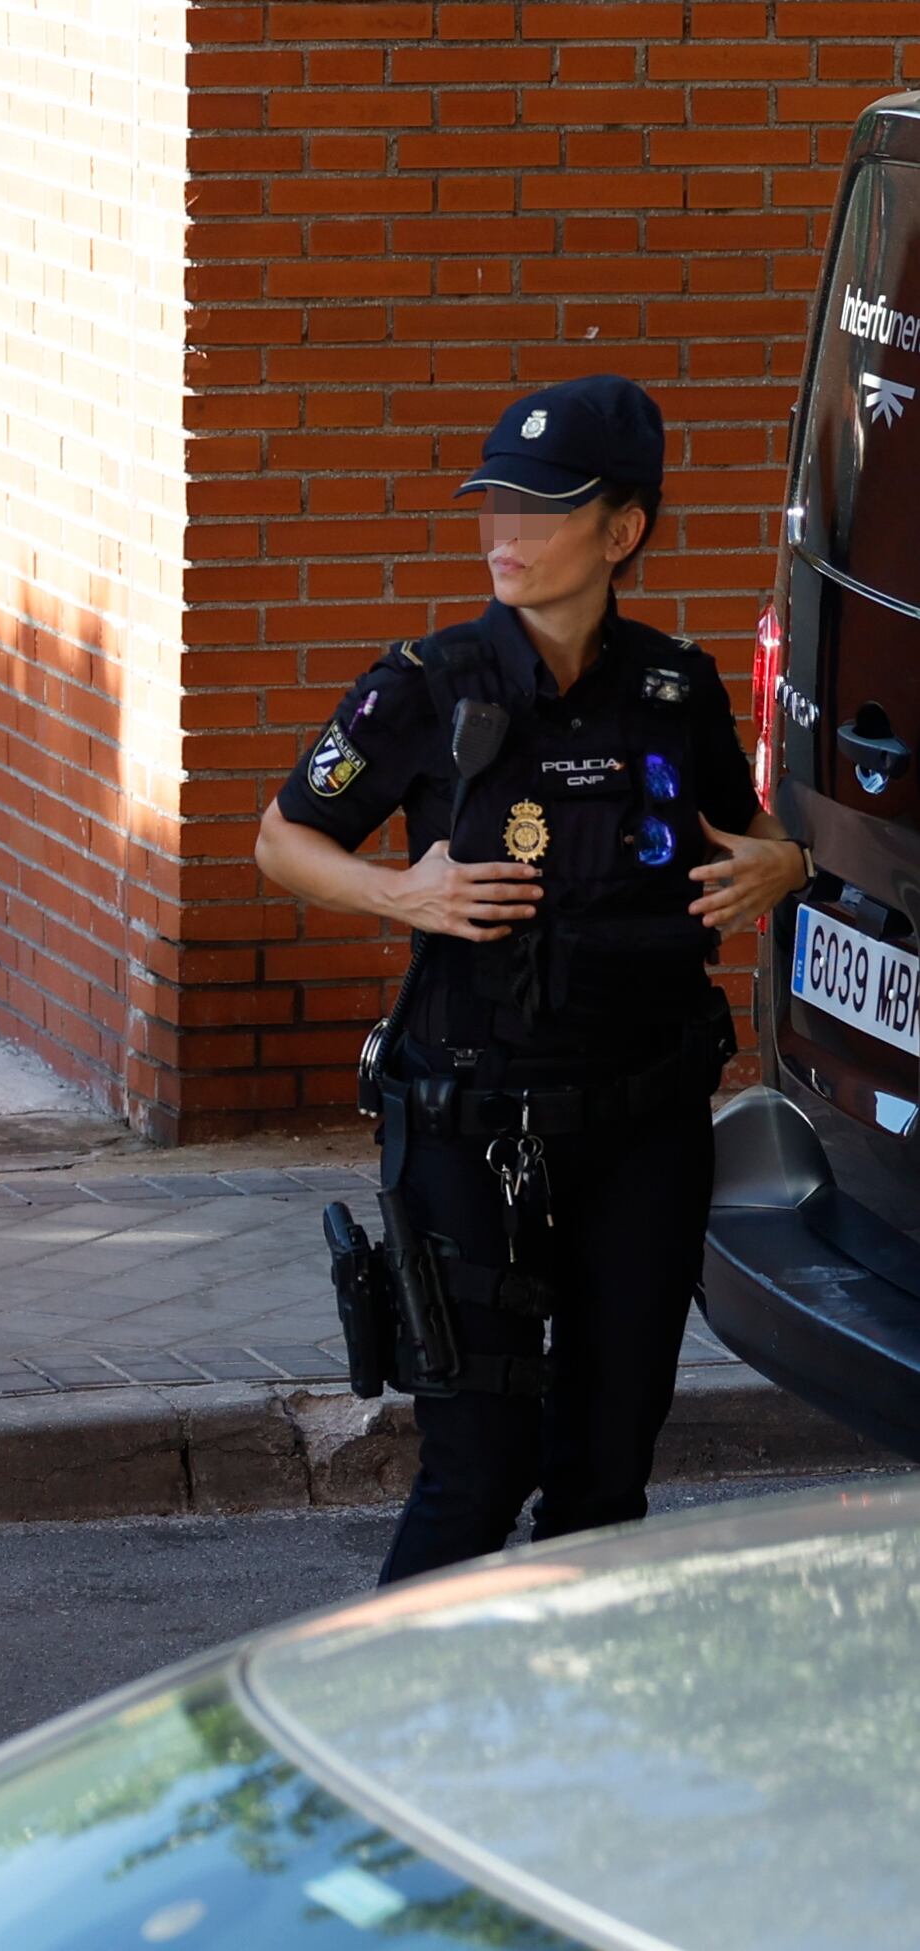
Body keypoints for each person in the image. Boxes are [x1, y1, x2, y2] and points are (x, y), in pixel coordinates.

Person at [256, 375, 807, 1580]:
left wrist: (785, 863)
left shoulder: (675, 690)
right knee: (477, 1471)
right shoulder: (426, 685)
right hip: (472, 1131)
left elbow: (752, 836)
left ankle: (562, 1745)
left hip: (644, 1133)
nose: (504, 534)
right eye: (494, 504)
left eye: (539, 509)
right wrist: (402, 894)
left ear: (622, 531)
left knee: (604, 1476)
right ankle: (386, 1734)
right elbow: (281, 837)